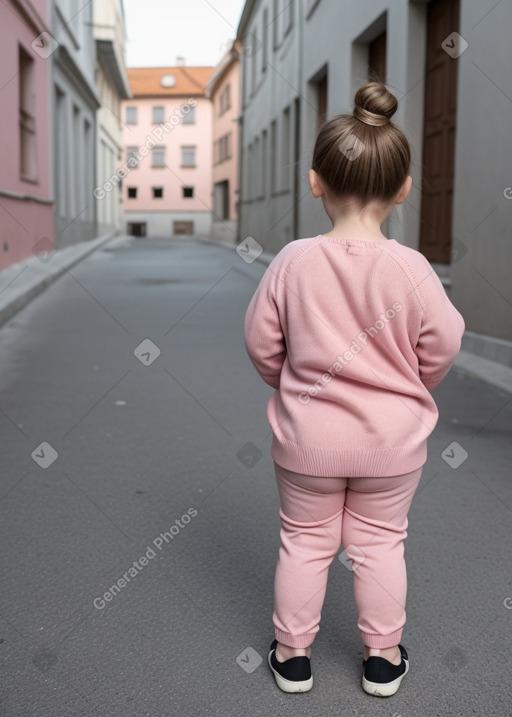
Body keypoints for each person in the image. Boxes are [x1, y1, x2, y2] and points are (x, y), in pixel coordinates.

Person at [243, 81, 465, 698]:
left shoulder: (292, 261)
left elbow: (262, 343)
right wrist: (411, 385)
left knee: (305, 541)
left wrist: (291, 385)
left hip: (307, 440)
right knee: (379, 543)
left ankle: (292, 656)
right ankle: (383, 658)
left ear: (316, 182)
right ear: (403, 189)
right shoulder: (412, 269)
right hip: (390, 446)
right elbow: (444, 342)